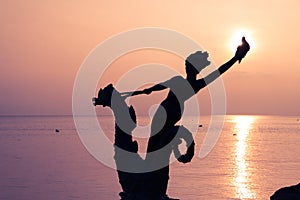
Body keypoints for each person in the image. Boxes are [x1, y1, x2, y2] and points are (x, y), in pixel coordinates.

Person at [131, 38, 250, 199]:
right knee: (155, 152)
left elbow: (219, 71)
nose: (193, 71)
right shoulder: (181, 81)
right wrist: (149, 90)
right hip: (163, 116)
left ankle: (157, 191)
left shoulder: (196, 84)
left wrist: (235, 59)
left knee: (160, 155)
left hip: (170, 117)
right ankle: (152, 190)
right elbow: (162, 85)